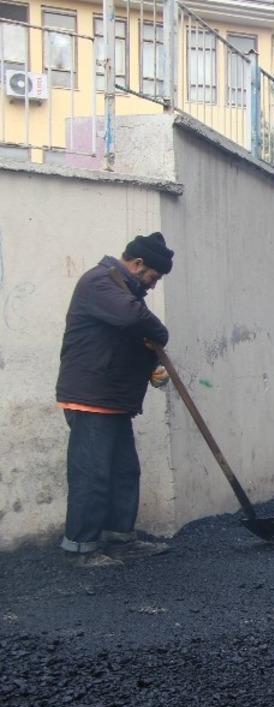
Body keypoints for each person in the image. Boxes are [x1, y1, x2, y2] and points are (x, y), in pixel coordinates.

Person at [55, 233, 175, 567]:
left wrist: (150, 365)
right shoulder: (99, 282)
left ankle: (120, 540)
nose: (153, 285)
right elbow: (134, 320)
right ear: (137, 264)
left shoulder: (124, 290)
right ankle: (80, 549)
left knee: (124, 472)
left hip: (113, 399)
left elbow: (130, 336)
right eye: (153, 277)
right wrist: (161, 333)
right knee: (92, 474)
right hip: (91, 396)